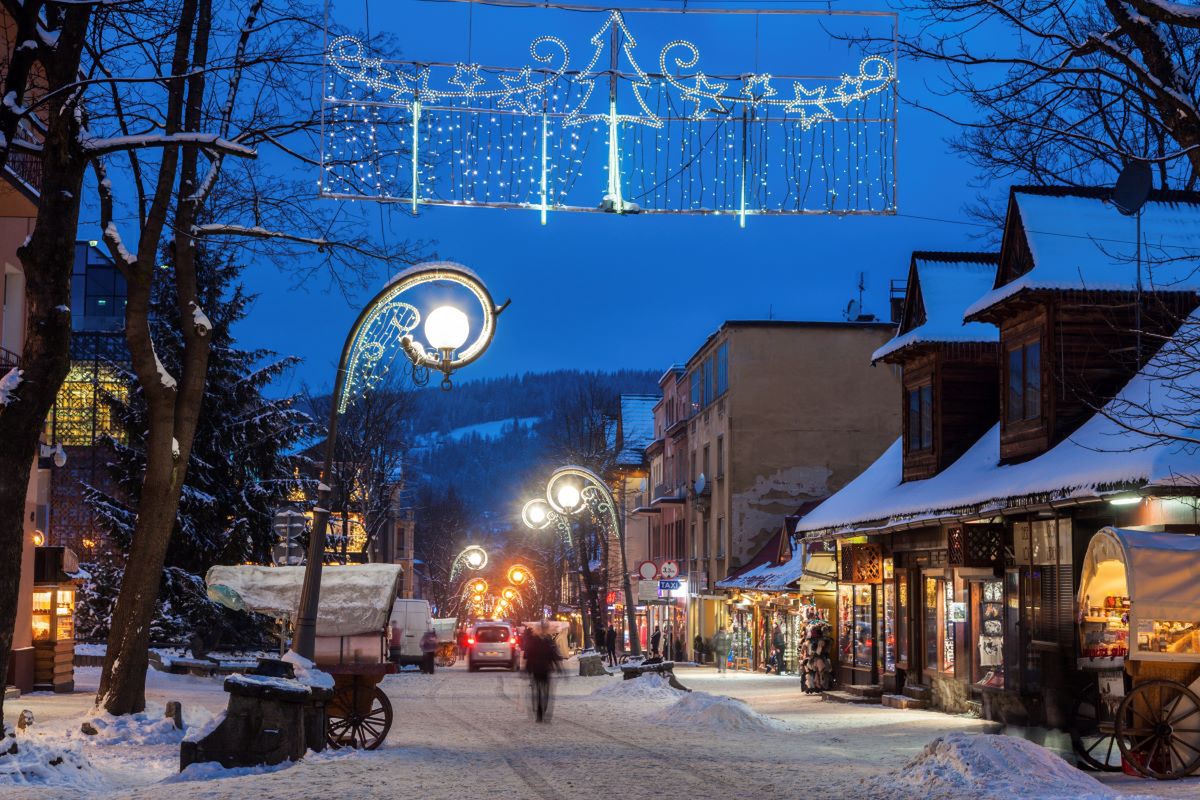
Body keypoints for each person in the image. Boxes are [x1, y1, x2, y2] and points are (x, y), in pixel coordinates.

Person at [524, 623, 563, 722]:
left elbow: (553, 655)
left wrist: (559, 667)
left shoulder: (549, 641)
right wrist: (527, 669)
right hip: (536, 669)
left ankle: (543, 708)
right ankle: (539, 710)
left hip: (546, 669)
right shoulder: (534, 641)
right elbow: (529, 655)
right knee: (537, 691)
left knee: (545, 691)